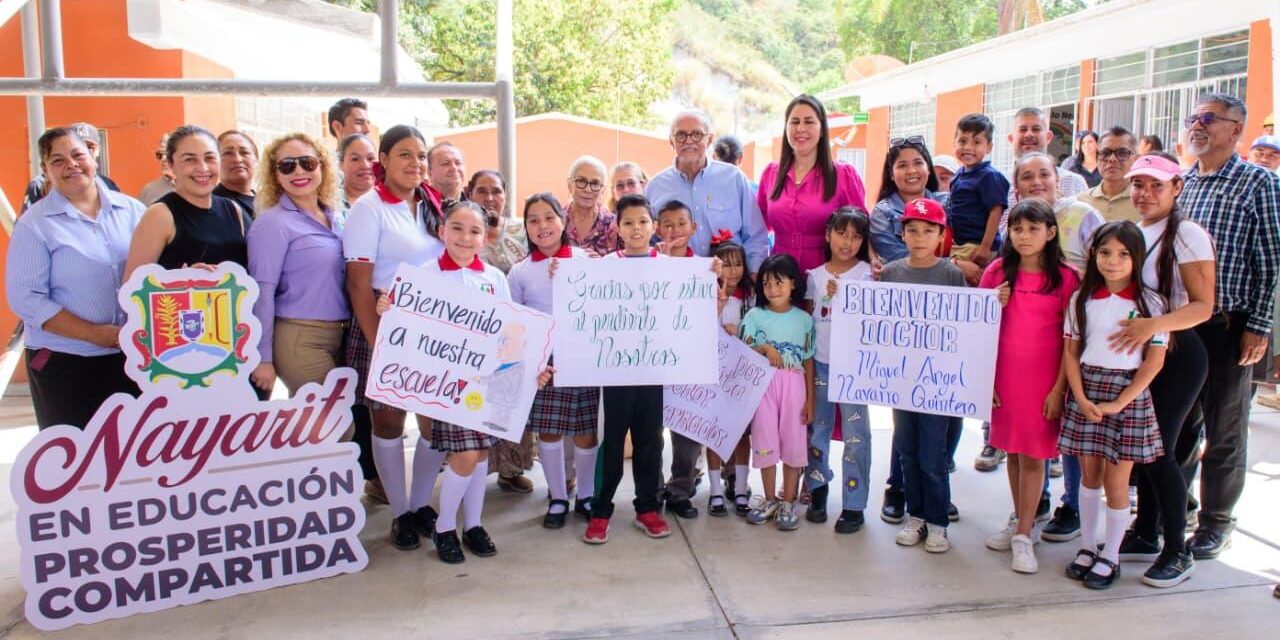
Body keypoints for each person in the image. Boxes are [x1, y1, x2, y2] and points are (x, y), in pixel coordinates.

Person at [374, 201, 551, 564]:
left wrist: (532, 366)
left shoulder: (493, 279)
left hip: (484, 383)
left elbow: (509, 331)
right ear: (442, 232)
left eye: (474, 231)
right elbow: (404, 324)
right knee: (466, 453)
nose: (465, 237)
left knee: (480, 454)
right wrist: (387, 310)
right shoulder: (420, 275)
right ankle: (443, 528)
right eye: (456, 228)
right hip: (444, 384)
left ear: (484, 237)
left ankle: (472, 525)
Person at [1176, 93, 1280, 559]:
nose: (1197, 126)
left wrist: (1259, 326)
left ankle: (1217, 522)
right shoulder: (1182, 183)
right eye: (1193, 118)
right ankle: (1177, 510)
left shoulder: (1259, 183)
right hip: (1182, 325)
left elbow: (1274, 259)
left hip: (1230, 326)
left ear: (1236, 129)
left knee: (1225, 428)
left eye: (1209, 119)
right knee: (1178, 424)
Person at [1109, 153, 1213, 588]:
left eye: (1156, 185)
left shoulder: (1187, 234)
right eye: (1138, 185)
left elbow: (1202, 306)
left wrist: (1154, 325)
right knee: (1143, 448)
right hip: (1144, 350)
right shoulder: (1136, 231)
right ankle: (1147, 532)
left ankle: (1178, 549)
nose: (1144, 193)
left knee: (1159, 450)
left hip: (1177, 352)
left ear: (1176, 189)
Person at [343, 124, 446, 539]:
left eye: (421, 155)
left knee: (436, 423)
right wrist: (377, 341)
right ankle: (400, 512)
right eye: (405, 154)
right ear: (382, 160)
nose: (415, 163)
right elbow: (357, 282)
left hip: (430, 327)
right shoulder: (369, 208)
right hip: (384, 322)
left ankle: (420, 503)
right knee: (387, 422)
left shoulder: (431, 203)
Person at [5, 127, 143, 429]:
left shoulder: (134, 211)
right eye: (57, 160)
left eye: (78, 154)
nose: (71, 164)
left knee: (133, 457)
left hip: (134, 357)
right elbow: (26, 298)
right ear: (45, 171)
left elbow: (159, 268)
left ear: (93, 155)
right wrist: (94, 334)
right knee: (75, 462)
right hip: (68, 362)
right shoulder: (35, 225)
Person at [1060, 221, 1168, 590]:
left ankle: (1111, 555)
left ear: (1137, 258)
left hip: (1127, 394)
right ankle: (1088, 547)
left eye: (1124, 254)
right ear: (1094, 254)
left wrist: (1121, 401)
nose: (1113, 261)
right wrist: (1080, 396)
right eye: (1105, 252)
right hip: (1087, 388)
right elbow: (1071, 353)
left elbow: (1154, 360)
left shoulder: (1152, 304)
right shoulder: (1081, 298)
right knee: (1089, 475)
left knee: (1117, 481)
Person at [980, 200, 1079, 575]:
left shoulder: (1066, 279)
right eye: (1017, 229)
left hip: (1043, 381)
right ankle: (1019, 518)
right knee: (1013, 452)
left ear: (1050, 233)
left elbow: (1072, 340)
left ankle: (1025, 533)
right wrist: (993, 302)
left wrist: (1059, 389)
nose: (1024, 236)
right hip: (1004, 378)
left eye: (1033, 229)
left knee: (1035, 455)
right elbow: (978, 325)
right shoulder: (997, 272)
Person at [584, 194, 672, 544]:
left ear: (653, 226)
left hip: (653, 372)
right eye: (628, 222)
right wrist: (563, 272)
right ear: (617, 228)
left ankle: (647, 508)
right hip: (615, 373)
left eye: (642, 222)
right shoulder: (604, 266)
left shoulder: (669, 267)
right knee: (612, 441)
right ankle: (600, 510)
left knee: (651, 441)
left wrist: (707, 273)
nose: (636, 228)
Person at [508, 193, 599, 528]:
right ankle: (558, 496)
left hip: (582, 356)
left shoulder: (585, 259)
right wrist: (532, 364)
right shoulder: (519, 273)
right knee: (549, 431)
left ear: (562, 220)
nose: (542, 226)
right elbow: (517, 324)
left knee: (586, 431)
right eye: (533, 220)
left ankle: (586, 494)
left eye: (549, 217)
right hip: (544, 363)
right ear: (526, 228)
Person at [884, 198, 966, 554]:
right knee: (906, 450)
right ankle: (914, 516)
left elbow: (966, 325)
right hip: (902, 380)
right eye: (912, 230)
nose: (919, 237)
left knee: (933, 455)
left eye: (927, 230)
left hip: (937, 383)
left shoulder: (951, 274)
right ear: (902, 234)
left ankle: (938, 522)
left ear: (940, 235)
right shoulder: (890, 272)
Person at [246, 133, 347, 398]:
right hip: (299, 337)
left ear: (322, 166)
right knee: (331, 424)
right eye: (287, 165)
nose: (298, 171)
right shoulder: (272, 223)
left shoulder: (337, 218)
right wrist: (262, 357)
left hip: (342, 335)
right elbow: (261, 292)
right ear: (275, 174)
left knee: (335, 425)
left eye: (307, 163)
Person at [804, 207, 874, 533]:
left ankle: (854, 504)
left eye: (856, 236)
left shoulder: (868, 274)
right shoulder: (814, 276)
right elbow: (809, 320)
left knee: (856, 438)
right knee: (817, 431)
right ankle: (817, 489)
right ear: (828, 234)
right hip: (821, 363)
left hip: (854, 369)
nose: (847, 242)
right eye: (842, 233)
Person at [742, 253, 815, 531]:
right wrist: (764, 348)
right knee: (765, 439)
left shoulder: (804, 320)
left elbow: (807, 359)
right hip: (763, 386)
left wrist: (810, 399)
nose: (772, 288)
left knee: (794, 441)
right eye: (767, 283)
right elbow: (742, 350)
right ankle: (770, 498)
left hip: (794, 385)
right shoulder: (754, 316)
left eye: (779, 282)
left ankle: (788, 501)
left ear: (793, 284)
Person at [647, 108, 768, 272]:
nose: (689, 141)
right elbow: (647, 243)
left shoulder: (734, 178)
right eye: (681, 135)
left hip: (731, 285)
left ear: (709, 139)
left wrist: (754, 274)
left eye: (697, 134)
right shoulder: (655, 188)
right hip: (677, 284)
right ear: (671, 141)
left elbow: (756, 236)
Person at [756, 95, 868, 272]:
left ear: (822, 128)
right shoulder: (771, 173)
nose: (801, 128)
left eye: (809, 122)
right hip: (780, 276)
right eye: (794, 122)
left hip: (827, 272)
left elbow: (862, 227)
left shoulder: (843, 175)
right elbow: (756, 227)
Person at [125, 125, 253, 276]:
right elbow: (132, 289)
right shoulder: (160, 215)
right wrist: (180, 280)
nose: (203, 168)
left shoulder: (233, 209)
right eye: (190, 160)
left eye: (210, 158)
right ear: (171, 165)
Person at [657, 200, 710, 518]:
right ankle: (650, 488)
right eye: (666, 223)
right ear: (656, 228)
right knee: (650, 430)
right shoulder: (645, 263)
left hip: (688, 358)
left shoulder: (704, 269)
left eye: (681, 223)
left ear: (693, 228)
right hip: (649, 357)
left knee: (686, 429)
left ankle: (680, 488)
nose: (674, 230)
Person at [712, 235, 755, 516]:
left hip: (743, 374)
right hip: (715, 372)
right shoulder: (710, 294)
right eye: (727, 265)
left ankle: (740, 488)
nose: (734, 270)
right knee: (713, 431)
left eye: (738, 264)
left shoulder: (752, 298)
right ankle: (715, 492)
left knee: (742, 434)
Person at [1013, 152, 1105, 270]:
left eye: (1044, 175)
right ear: (1016, 186)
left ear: (1057, 181)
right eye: (1027, 177)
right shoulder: (1015, 223)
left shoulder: (1084, 215)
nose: (1036, 182)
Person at [869, 136, 946, 264]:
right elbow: (897, 258)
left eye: (918, 163)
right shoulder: (882, 212)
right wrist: (953, 264)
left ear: (928, 169)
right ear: (892, 175)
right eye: (902, 165)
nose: (911, 171)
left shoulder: (947, 203)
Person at [947, 113, 1009, 268]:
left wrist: (985, 247)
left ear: (988, 147)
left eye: (976, 142)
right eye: (962, 141)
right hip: (959, 244)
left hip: (978, 246)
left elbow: (996, 212)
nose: (968, 147)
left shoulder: (989, 176)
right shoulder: (958, 175)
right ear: (954, 144)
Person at [21, 122, 121, 212]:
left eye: (89, 147)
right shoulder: (39, 185)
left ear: (98, 150)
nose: (84, 151)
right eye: (77, 148)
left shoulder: (108, 184)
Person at [1006, 108, 1089, 208]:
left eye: (1036, 129)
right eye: (1023, 130)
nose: (1029, 134)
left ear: (1048, 137)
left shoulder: (1074, 182)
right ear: (1011, 138)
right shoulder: (999, 184)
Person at [472, 170, 529, 275]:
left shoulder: (525, 231)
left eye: (496, 191)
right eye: (482, 191)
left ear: (505, 196)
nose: (489, 198)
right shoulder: (462, 236)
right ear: (470, 195)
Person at [1078, 127, 1140, 223]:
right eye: (1105, 153)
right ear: (1097, 157)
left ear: (1136, 159)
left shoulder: (1143, 203)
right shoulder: (1081, 202)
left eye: (1122, 153)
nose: (1112, 159)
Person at [564, 155, 619, 257]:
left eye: (595, 183)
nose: (588, 189)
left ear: (602, 190)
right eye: (581, 181)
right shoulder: (556, 221)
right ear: (569, 184)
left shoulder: (615, 225)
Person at [212, 130, 259, 216]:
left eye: (244, 152)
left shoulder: (268, 202)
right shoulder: (212, 203)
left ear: (256, 159)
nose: (237, 159)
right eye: (228, 153)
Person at [338, 133, 377, 211]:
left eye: (370, 158)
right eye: (355, 159)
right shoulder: (329, 204)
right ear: (341, 164)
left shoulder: (392, 201)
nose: (365, 166)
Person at [138, 133, 176, 206]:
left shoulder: (195, 185)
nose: (163, 159)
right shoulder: (149, 190)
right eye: (160, 155)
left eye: (168, 154)